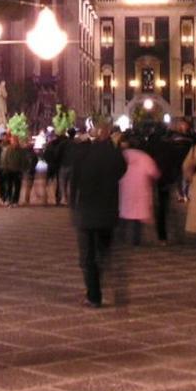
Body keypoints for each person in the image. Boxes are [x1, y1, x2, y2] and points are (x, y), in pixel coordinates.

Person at [69, 122, 126, 308]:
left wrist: (72, 205)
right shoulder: (115, 155)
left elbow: (74, 181)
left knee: (87, 257)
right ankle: (104, 285)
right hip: (108, 211)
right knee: (103, 252)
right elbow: (122, 172)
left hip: (86, 211)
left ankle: (93, 295)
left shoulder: (83, 153)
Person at [149, 120, 194, 244]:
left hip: (160, 176)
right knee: (168, 207)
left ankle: (163, 236)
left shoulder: (158, 143)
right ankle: (175, 234)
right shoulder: (173, 144)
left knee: (162, 207)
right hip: (170, 176)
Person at [118, 135, 160, 247]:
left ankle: (120, 238)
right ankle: (135, 241)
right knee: (137, 216)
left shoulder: (122, 156)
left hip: (124, 188)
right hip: (141, 189)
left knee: (123, 213)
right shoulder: (145, 157)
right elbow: (154, 173)